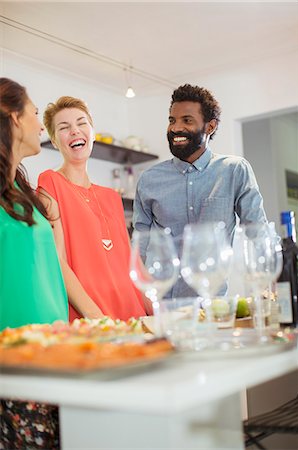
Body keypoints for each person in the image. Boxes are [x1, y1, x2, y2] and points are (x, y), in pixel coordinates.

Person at [133, 84, 267, 298]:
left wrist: (272, 283)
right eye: (171, 120)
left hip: (212, 304)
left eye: (187, 120)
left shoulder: (233, 170)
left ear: (210, 126)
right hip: (159, 304)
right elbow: (138, 246)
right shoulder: (149, 179)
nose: (176, 128)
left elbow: (258, 231)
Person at [0, 78, 68, 449]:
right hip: (13, 371)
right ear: (13, 119)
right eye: (35, 113)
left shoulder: (20, 193)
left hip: (52, 361)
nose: (40, 124)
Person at [38, 96, 149, 322]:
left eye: (81, 123)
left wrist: (163, 311)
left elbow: (133, 263)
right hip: (90, 318)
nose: (75, 131)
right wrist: (96, 318)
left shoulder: (111, 197)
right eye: (64, 127)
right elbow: (57, 261)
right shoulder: (49, 182)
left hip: (133, 314)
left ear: (92, 132)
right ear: (54, 140)